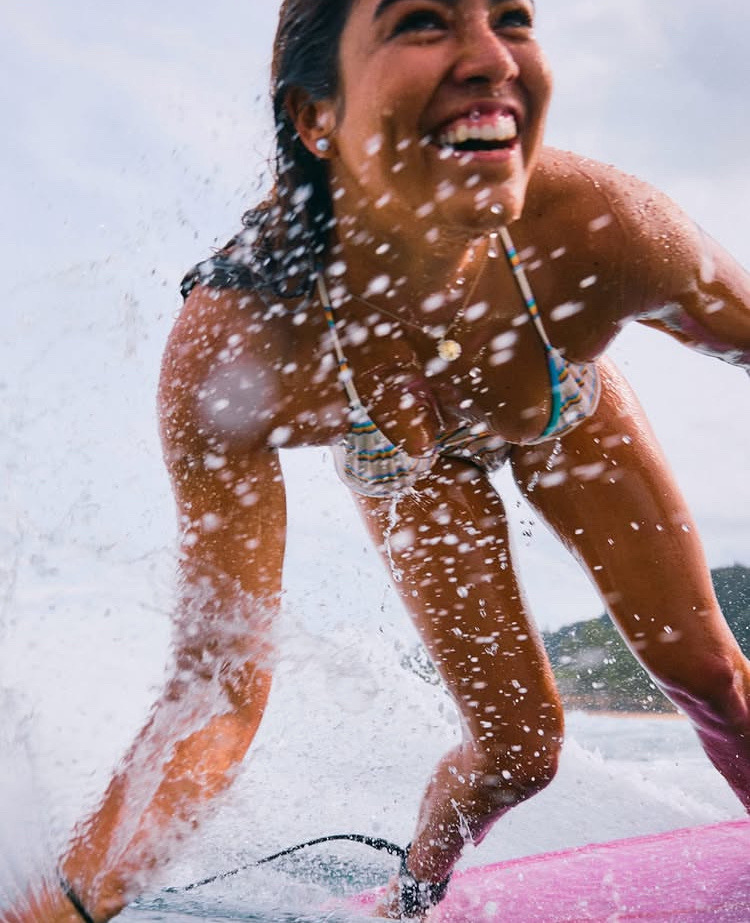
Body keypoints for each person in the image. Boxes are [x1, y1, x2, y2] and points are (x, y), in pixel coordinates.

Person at [10, 0, 750, 920]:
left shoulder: (604, 227)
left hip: (561, 407)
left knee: (713, 677)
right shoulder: (241, 344)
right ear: (315, 115)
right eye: (421, 23)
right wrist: (65, 901)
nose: (492, 58)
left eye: (512, 17)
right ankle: (414, 893)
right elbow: (216, 695)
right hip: (410, 462)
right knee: (520, 752)